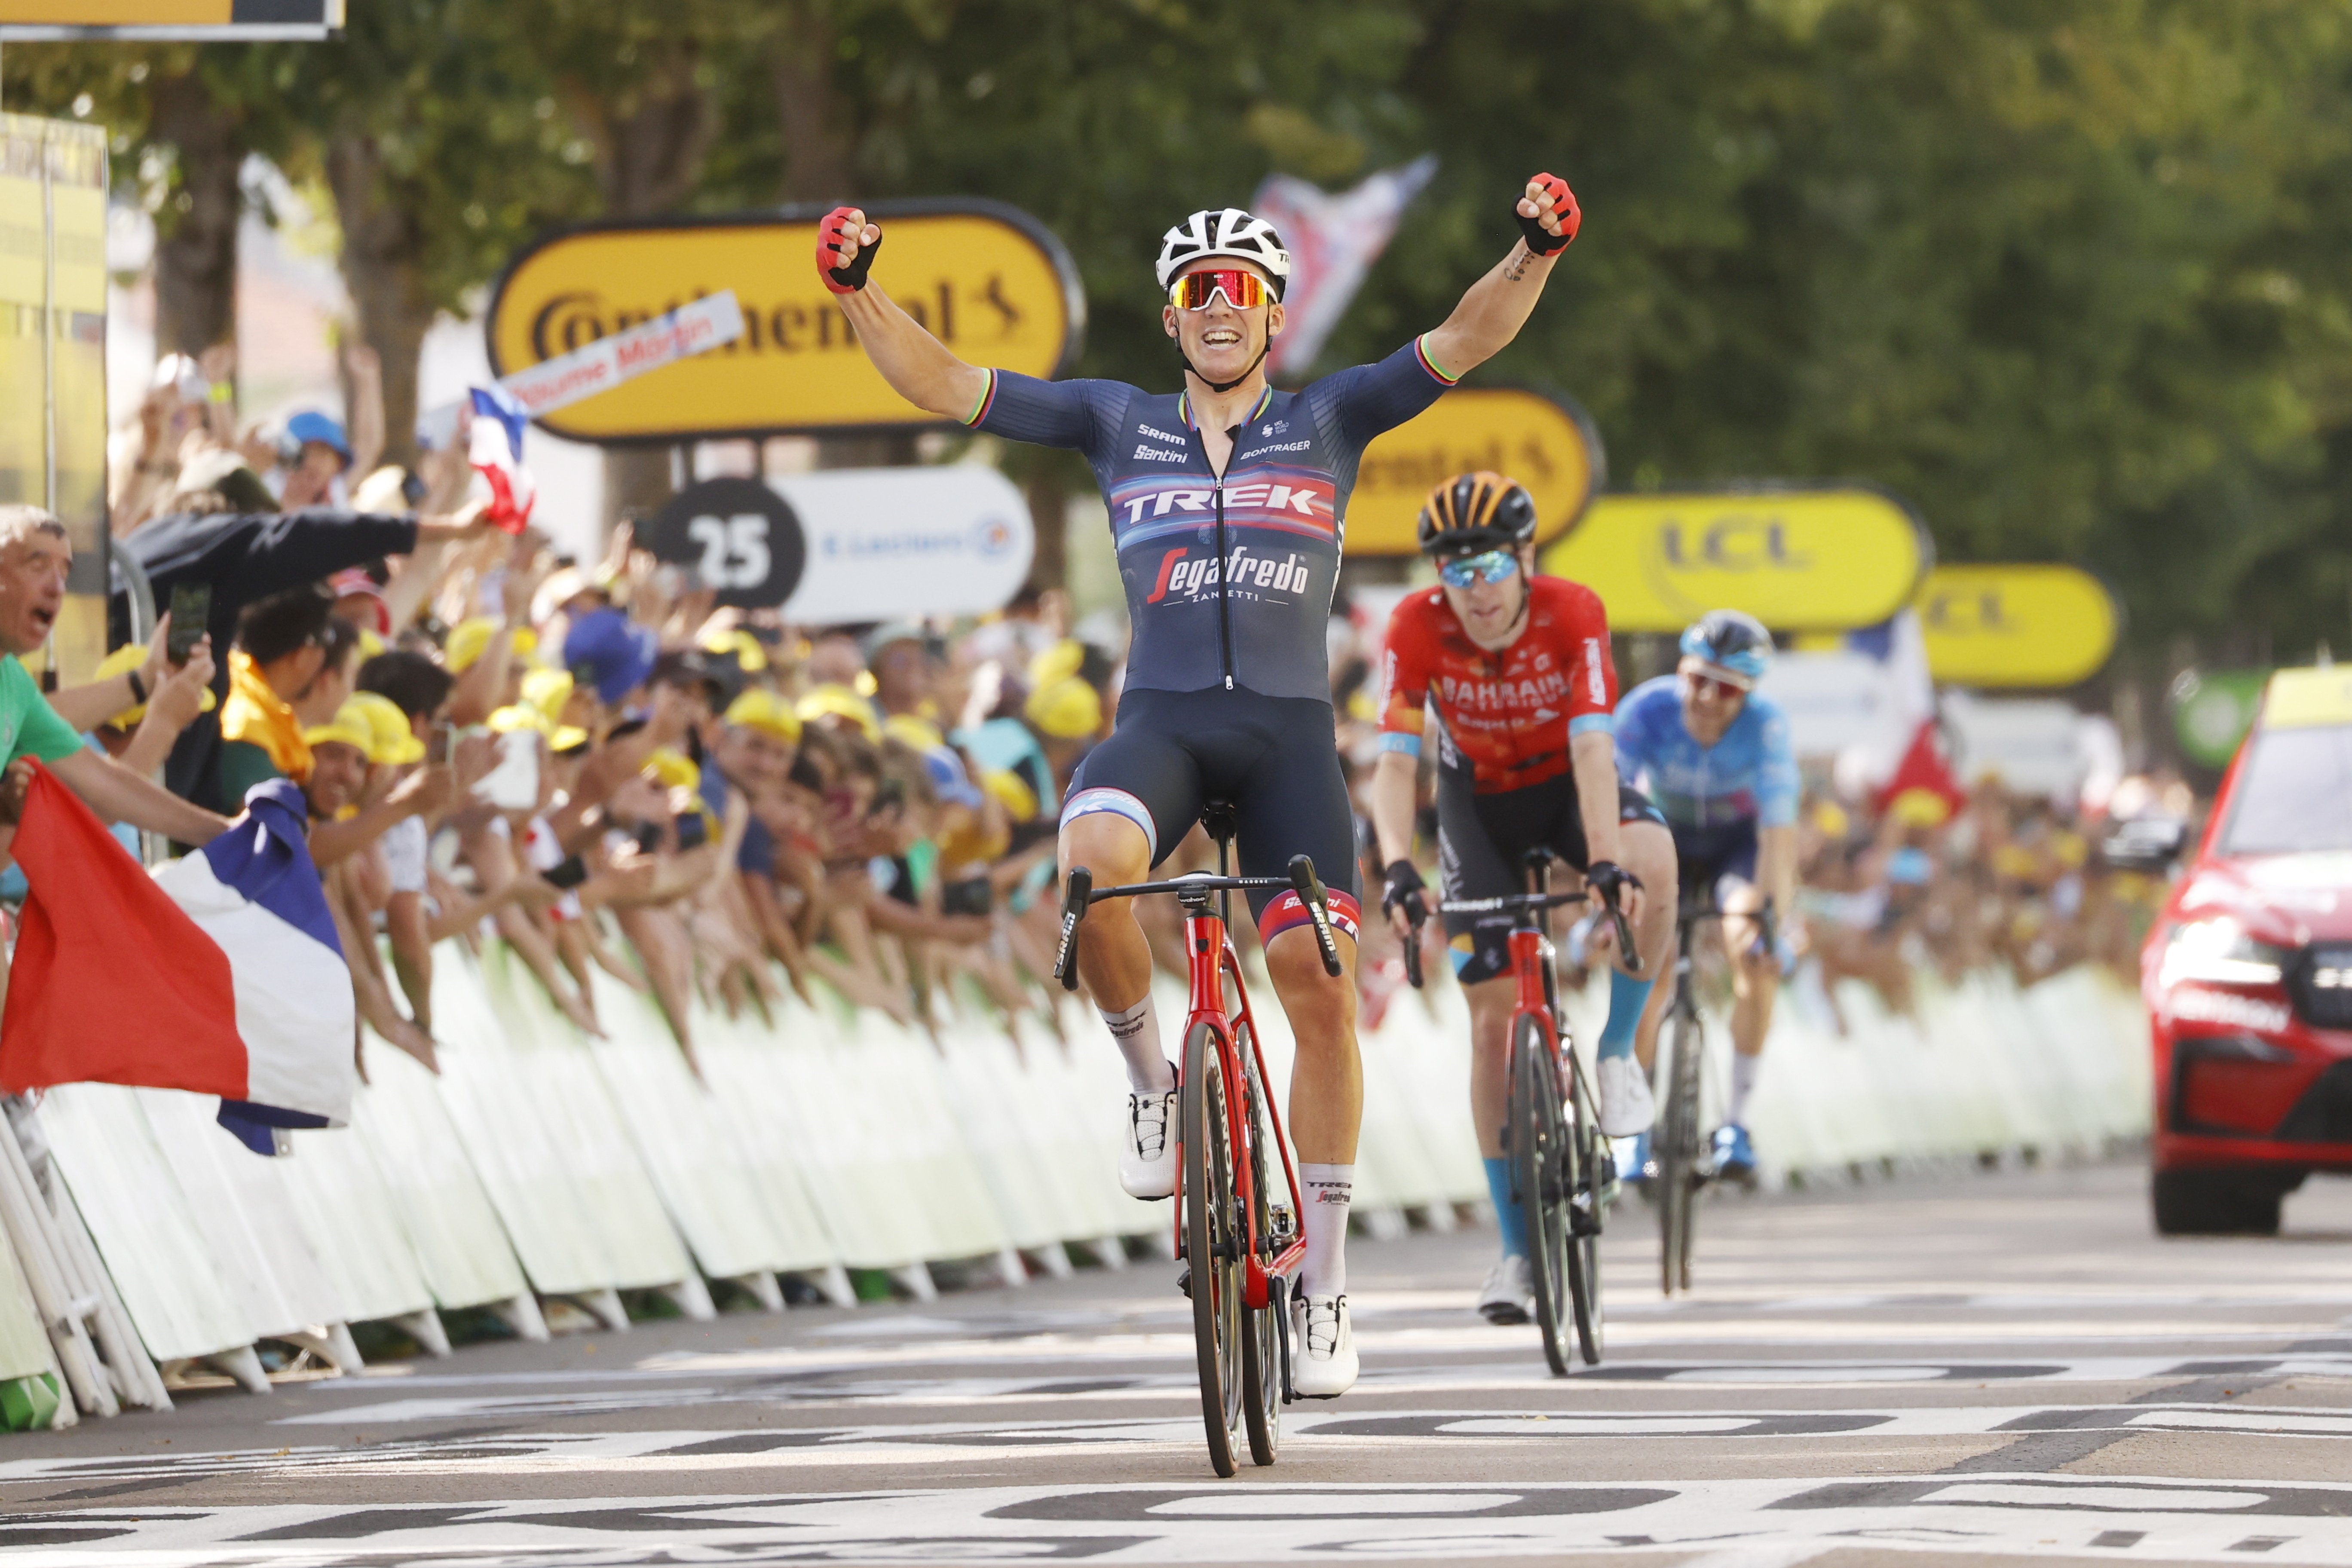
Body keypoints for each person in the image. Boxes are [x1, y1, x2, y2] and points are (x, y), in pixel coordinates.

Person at [818, 169, 1585, 1396]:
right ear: (1171, 318)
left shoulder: (1332, 417)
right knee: (1090, 870)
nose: (1220, 303)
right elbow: (945, 384)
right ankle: (1150, 1085)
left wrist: (1535, 253)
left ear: (1274, 316)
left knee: (1312, 981)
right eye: (1197, 289)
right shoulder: (1114, 421)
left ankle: (1325, 1289)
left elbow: (1464, 335)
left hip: (1288, 740)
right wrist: (858, 293)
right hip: (1164, 725)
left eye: (1243, 288)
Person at [1365, 472, 1678, 1326]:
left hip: (1570, 788)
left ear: (1526, 558)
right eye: (1455, 573)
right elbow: (1395, 761)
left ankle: (1617, 1051)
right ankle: (1513, 1251)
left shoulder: (1572, 611)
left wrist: (1605, 863)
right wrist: (1398, 865)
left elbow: (1592, 746)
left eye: (1491, 568)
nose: (1475, 592)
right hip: (1479, 813)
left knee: (1653, 861)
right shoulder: (1414, 627)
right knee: (1492, 1025)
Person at [1614, 610, 1802, 1182]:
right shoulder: (1647, 709)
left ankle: (1736, 1124)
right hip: (1661, 836)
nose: (1708, 699)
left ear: (1748, 696)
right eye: (1698, 681)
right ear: (1681, 673)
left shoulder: (1767, 726)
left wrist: (1772, 921)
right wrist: (1609, 901)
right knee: (1647, 963)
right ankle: (1635, 1125)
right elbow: (1609, 808)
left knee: (1753, 950)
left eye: (1727, 690)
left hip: (1735, 847)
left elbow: (1778, 836)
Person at [0, 507, 229, 851]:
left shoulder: (15, 684)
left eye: (65, 573)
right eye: (37, 566)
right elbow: (102, 809)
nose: (57, 588)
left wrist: (227, 832)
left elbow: (107, 784)